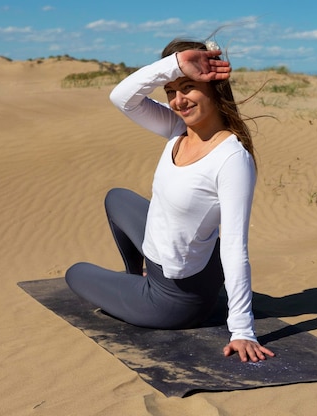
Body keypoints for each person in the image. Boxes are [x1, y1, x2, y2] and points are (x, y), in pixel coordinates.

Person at [65, 37, 274, 363]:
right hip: (192, 262)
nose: (178, 101)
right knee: (117, 198)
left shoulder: (231, 159)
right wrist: (175, 66)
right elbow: (122, 98)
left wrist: (242, 329)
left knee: (75, 273)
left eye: (188, 87)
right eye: (170, 91)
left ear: (214, 85)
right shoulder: (178, 127)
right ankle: (135, 277)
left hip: (174, 300)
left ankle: (139, 290)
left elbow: (235, 247)